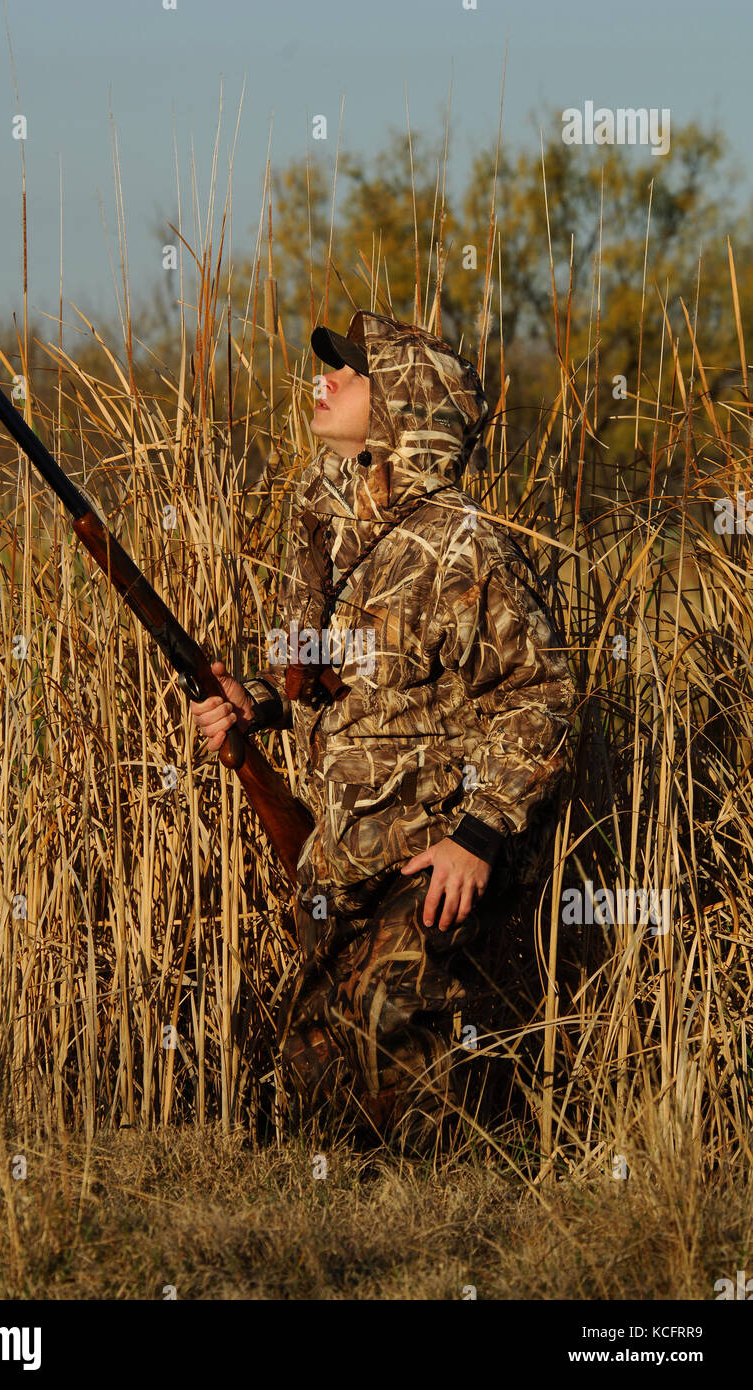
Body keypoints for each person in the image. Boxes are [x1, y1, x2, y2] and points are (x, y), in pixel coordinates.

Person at [190, 310, 578, 1149]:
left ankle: (452, 1224)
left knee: (391, 1016)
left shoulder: (459, 546)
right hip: (342, 849)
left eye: (350, 374)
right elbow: (319, 675)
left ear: (405, 403)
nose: (320, 382)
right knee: (322, 1060)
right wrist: (249, 702)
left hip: (432, 848)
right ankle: (363, 1242)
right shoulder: (326, 525)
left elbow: (541, 694)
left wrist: (477, 837)